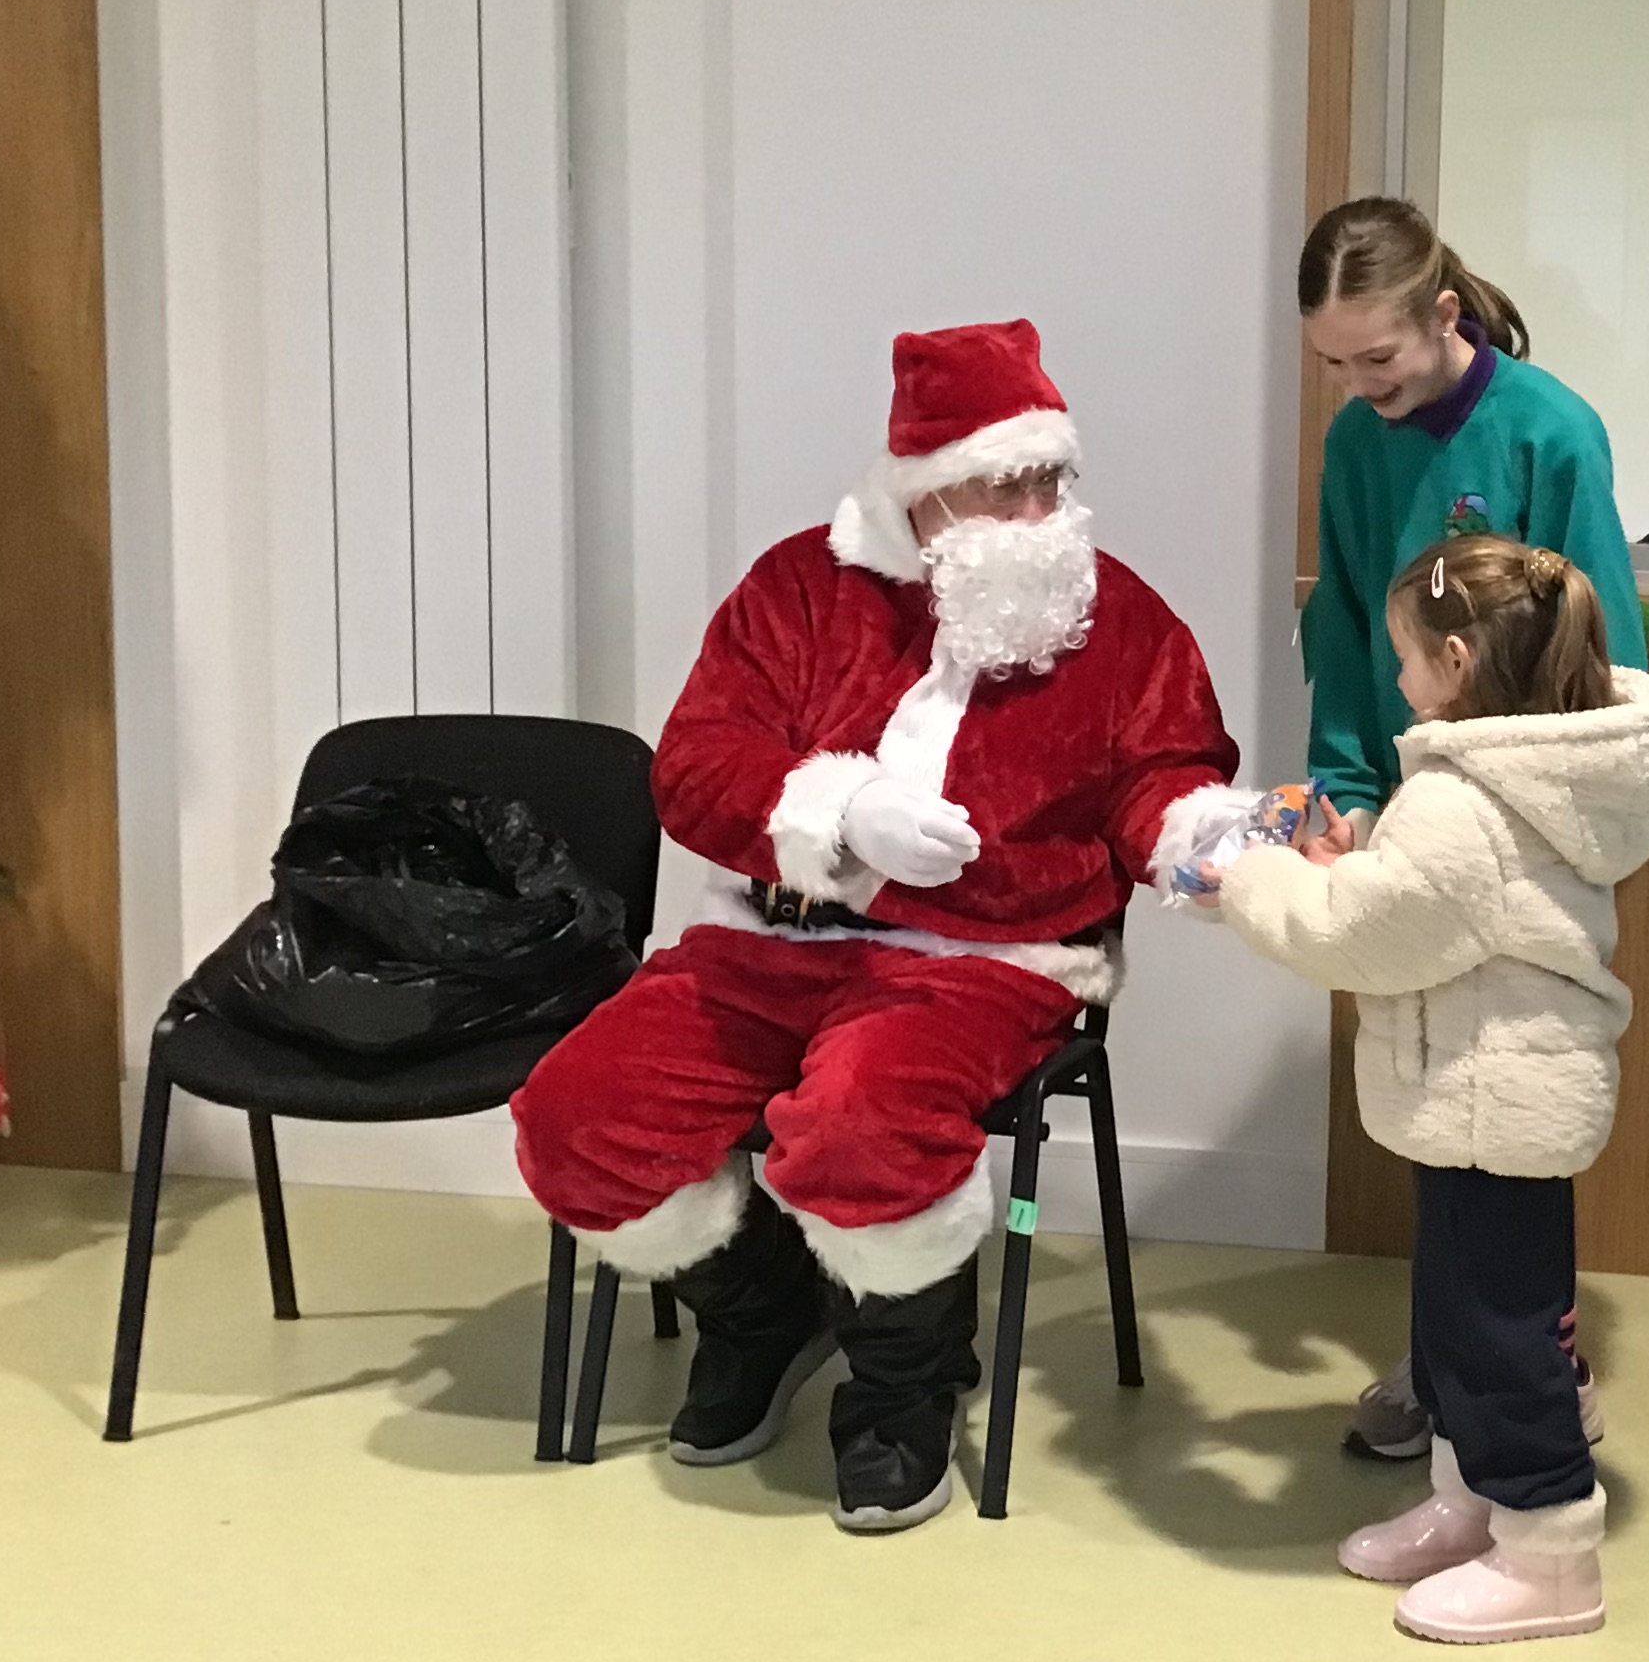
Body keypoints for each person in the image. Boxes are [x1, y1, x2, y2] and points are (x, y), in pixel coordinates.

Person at [510, 321, 1238, 1536]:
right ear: (922, 489)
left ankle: (905, 1385)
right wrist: (837, 809)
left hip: (992, 961)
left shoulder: (1116, 616)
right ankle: (766, 1313)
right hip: (771, 938)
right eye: (1003, 484)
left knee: (862, 1119)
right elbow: (694, 767)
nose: (1038, 512)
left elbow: (1164, 769)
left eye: (1051, 479)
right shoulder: (799, 589)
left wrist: (1202, 837)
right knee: (581, 1117)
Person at [1215, 535, 1649, 1643]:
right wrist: (1366, 858)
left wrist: (1249, 875)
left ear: (1456, 663)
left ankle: (1550, 1555)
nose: (1398, 676)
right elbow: (1441, 908)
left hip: (1488, 1100)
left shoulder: (1465, 802)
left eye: (1407, 656)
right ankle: (1472, 1502)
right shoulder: (1527, 779)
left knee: (1505, 1342)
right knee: (1457, 1328)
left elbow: (1360, 934)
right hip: (1487, 1094)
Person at [1296, 196, 1643, 1464]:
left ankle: (1538, 1368)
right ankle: (1447, 1360)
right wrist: (1343, 786)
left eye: (1378, 357)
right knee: (1431, 1090)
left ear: (1445, 313)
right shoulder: (1356, 441)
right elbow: (1346, 625)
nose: (1359, 386)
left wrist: (1554, 809)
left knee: (1516, 1099)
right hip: (1410, 800)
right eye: (1334, 362)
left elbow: (1605, 646)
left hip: (1526, 815)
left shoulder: (1550, 430)